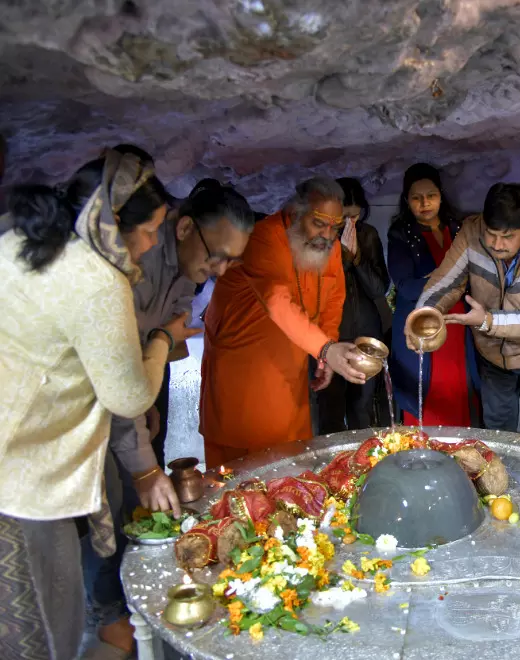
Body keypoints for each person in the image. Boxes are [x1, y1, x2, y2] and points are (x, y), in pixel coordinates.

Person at [0, 149, 194, 660]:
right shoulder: (97, 280)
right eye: (149, 231)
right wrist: (162, 339)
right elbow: (129, 395)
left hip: (13, 447)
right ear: (112, 223)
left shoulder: (21, 238)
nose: (152, 243)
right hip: (27, 478)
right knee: (45, 623)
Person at [87, 176, 255, 657]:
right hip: (96, 404)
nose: (220, 270)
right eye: (217, 256)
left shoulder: (186, 269)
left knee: (138, 498)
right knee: (104, 500)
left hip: (136, 393)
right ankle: (109, 616)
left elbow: (160, 341)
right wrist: (143, 466)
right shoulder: (131, 265)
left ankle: (129, 600)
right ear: (183, 229)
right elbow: (122, 370)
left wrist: (149, 406)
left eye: (231, 261)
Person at [200, 177, 366, 466]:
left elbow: (333, 297)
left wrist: (325, 352)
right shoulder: (263, 237)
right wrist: (325, 349)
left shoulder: (329, 246)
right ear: (296, 213)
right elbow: (277, 301)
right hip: (242, 375)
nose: (327, 235)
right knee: (243, 475)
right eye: (319, 223)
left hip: (290, 373)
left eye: (335, 227)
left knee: (290, 467)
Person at [411, 183, 520, 440]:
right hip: (492, 355)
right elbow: (446, 281)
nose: (496, 244)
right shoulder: (471, 231)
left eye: (507, 237)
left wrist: (488, 321)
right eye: (491, 234)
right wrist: (424, 314)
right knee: (497, 432)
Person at [387, 163, 480, 427]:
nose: (424, 203)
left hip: (458, 323)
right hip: (422, 323)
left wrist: (434, 278)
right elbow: (405, 285)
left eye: (431, 195)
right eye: (416, 197)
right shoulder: (400, 233)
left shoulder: (458, 228)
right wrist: (449, 279)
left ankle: (460, 448)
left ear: (441, 195)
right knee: (425, 391)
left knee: (459, 387)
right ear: (407, 200)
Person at [314, 177, 390, 433]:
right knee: (330, 410)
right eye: (343, 218)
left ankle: (364, 455)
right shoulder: (319, 238)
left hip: (365, 331)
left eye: (355, 217)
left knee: (362, 409)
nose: (349, 224)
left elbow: (379, 289)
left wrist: (357, 258)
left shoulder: (367, 235)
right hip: (331, 334)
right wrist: (342, 256)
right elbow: (321, 288)